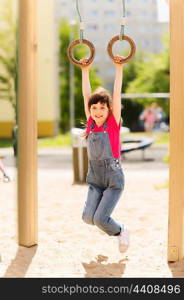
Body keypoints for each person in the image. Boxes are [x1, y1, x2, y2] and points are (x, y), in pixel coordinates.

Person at [80, 56, 129, 253]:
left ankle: (121, 230)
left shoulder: (112, 124)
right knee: (87, 218)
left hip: (113, 179)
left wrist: (119, 69)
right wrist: (85, 71)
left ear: (109, 110)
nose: (98, 111)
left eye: (102, 107)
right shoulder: (91, 124)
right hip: (95, 178)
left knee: (100, 219)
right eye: (94, 108)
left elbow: (116, 94)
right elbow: (86, 95)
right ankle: (104, 223)